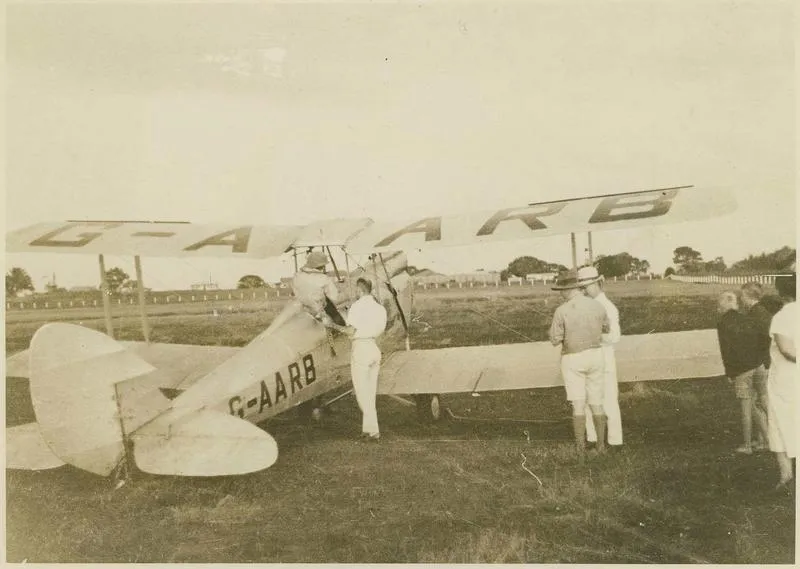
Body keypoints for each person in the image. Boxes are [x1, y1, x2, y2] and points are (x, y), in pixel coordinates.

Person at [549, 268, 610, 459]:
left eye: (561, 290)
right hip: (596, 355)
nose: (560, 294)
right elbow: (606, 329)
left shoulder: (562, 311)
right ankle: (601, 446)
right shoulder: (598, 306)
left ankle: (580, 448)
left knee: (578, 404)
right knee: (597, 402)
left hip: (573, 358)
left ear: (568, 289)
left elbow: (555, 339)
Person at [716, 291, 769, 455]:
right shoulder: (747, 318)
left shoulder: (723, 323)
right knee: (757, 405)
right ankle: (767, 440)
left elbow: (726, 350)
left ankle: (747, 446)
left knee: (747, 407)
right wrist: (761, 359)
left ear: (724, 305)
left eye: (718, 304)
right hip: (759, 366)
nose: (717, 307)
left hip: (742, 370)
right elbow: (763, 339)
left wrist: (729, 373)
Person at [580, 266, 623, 448]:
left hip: (604, 361)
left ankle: (614, 441)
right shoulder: (585, 306)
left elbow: (614, 337)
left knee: (609, 402)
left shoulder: (608, 308)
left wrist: (592, 335)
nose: (584, 290)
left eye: (587, 286)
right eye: (582, 287)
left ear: (598, 283)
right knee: (589, 401)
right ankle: (592, 438)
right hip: (589, 361)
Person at [343, 278, 388, 441]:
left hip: (361, 348)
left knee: (362, 393)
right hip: (374, 347)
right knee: (370, 391)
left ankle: (373, 431)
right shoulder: (380, 308)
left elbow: (349, 331)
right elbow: (382, 329)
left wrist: (332, 325)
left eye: (356, 290)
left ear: (359, 290)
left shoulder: (356, 307)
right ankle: (369, 430)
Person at [767, 273, 796, 489]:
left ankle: (786, 475)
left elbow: (786, 350)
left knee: (780, 423)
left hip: (786, 379)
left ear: (780, 292)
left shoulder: (782, 316)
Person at [291, 250, 346, 327]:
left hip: (303, 307)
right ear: (322, 266)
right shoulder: (323, 278)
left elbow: (296, 292)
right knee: (339, 319)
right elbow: (334, 297)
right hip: (318, 310)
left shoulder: (296, 276)